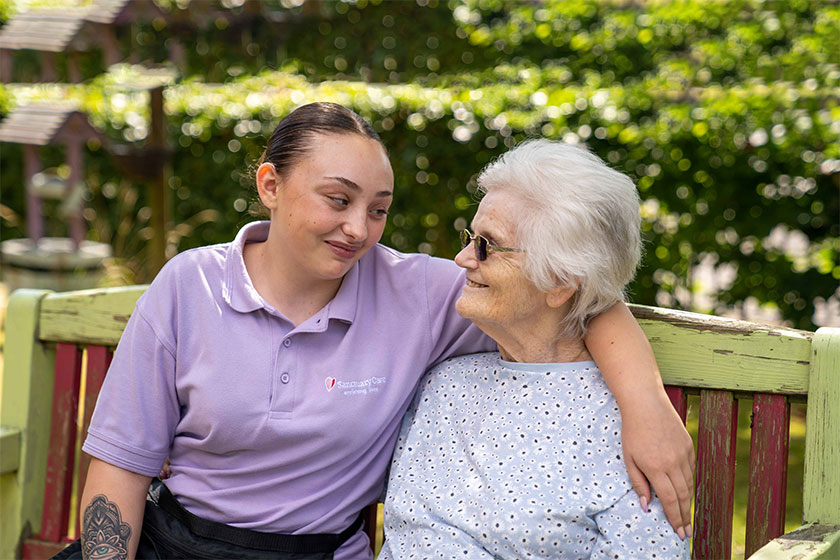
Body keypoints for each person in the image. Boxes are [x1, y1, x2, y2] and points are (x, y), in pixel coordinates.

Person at [60, 103, 691, 560]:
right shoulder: (189, 285)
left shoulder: (419, 295)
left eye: (379, 209)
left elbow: (579, 294)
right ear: (270, 185)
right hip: (174, 544)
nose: (359, 229)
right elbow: (121, 464)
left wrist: (644, 407)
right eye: (338, 200)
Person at [379, 139, 690, 559]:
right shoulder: (443, 387)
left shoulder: (624, 428)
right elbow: (408, 531)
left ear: (560, 282)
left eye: (487, 245)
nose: (462, 258)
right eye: (470, 237)